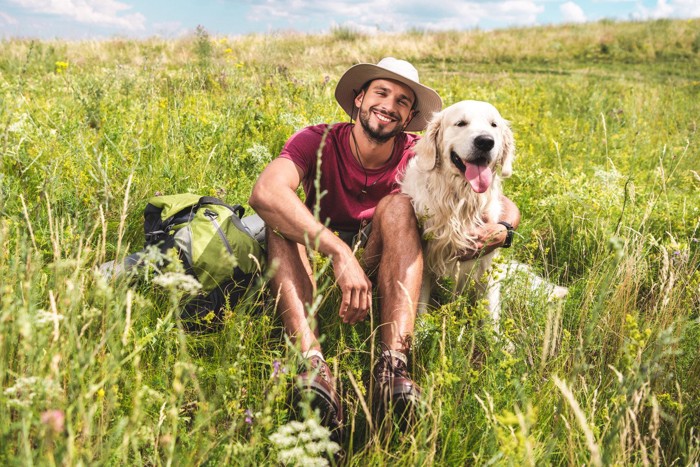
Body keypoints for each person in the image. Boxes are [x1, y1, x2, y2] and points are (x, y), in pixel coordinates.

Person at [248, 57, 520, 432]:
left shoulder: (420, 151)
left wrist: (503, 229)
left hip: (378, 259)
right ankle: (312, 364)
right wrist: (338, 252)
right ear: (358, 99)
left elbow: (500, 200)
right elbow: (265, 192)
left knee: (397, 205)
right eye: (381, 92)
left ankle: (392, 369)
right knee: (278, 221)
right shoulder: (315, 139)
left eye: (402, 101)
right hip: (317, 258)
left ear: (409, 118)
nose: (389, 105)